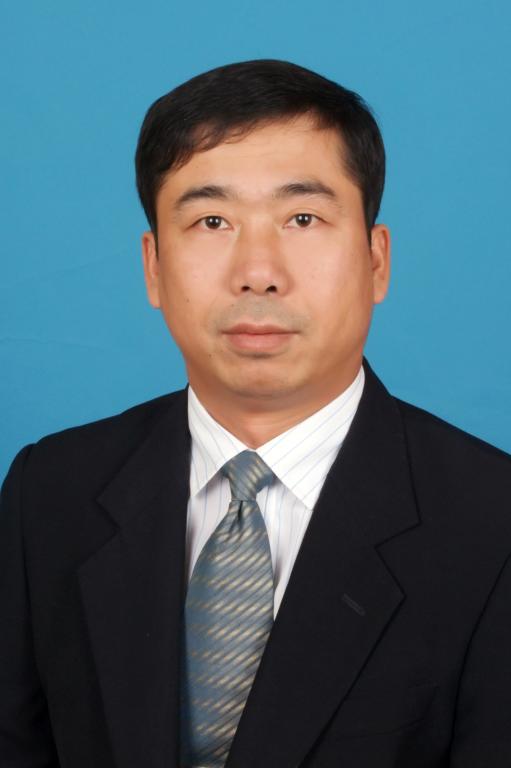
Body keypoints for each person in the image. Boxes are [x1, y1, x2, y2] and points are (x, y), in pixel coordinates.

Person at [1, 59, 510, 768]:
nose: (258, 272)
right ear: (153, 267)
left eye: (303, 218)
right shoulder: (50, 490)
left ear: (376, 261)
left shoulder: (492, 522)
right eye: (212, 221)